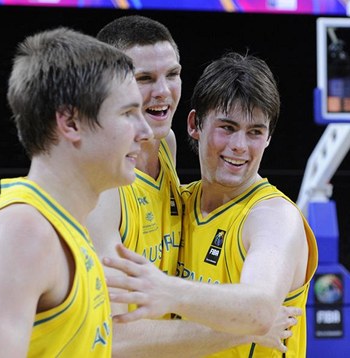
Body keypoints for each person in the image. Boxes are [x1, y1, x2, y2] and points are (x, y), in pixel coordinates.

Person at [89, 16, 300, 357]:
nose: (163, 91)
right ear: (196, 126)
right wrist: (241, 329)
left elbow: (259, 309)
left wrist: (167, 290)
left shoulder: (166, 149)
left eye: (172, 74)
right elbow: (110, 339)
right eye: (144, 78)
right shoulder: (99, 184)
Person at [0, 27, 153, 356]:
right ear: (71, 123)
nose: (145, 131)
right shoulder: (23, 234)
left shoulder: (67, 226)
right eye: (128, 113)